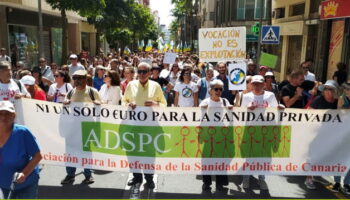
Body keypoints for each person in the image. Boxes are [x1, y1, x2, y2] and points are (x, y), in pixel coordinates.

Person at [122, 62, 167, 189]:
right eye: (139, 71)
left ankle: (149, 178)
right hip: (133, 126)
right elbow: (123, 101)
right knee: (132, 152)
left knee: (149, 154)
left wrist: (155, 104)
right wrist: (128, 104)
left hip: (150, 127)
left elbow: (164, 104)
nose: (141, 74)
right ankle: (136, 177)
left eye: (144, 72)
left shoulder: (156, 86)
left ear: (149, 73)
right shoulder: (131, 85)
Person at [240, 75, 284, 190]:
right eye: (254, 83)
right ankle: (246, 178)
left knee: (264, 155)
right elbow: (239, 114)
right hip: (250, 130)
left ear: (264, 84)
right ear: (251, 84)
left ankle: (261, 178)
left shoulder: (270, 95)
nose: (257, 85)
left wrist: (280, 107)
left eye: (259, 83)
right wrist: (247, 108)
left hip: (266, 130)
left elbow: (276, 109)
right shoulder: (246, 96)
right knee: (249, 155)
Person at [61, 70, 101, 185]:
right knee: (70, 151)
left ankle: (88, 175)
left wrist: (97, 103)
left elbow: (101, 106)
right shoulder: (70, 92)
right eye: (75, 78)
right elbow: (65, 106)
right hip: (72, 127)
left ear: (85, 79)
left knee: (86, 151)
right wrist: (66, 102)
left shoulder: (92, 92)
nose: (77, 81)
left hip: (87, 127)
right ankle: (70, 175)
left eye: (79, 78)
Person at [0, 101, 42, 199]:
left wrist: (24, 173)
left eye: (7, 113)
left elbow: (37, 156)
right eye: (0, 113)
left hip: (26, 183)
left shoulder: (22, 132)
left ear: (13, 116)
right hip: (3, 185)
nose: (3, 117)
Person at [199, 79, 231, 192]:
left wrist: (231, 110)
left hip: (221, 137)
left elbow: (233, 117)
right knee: (206, 161)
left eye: (220, 89)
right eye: (216, 89)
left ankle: (220, 184)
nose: (218, 91)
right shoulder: (205, 103)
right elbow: (199, 119)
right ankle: (206, 183)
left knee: (221, 161)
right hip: (208, 137)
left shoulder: (226, 102)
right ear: (210, 90)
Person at [332, 82, 350, 194]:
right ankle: (337, 182)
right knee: (338, 158)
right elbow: (339, 113)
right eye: (346, 89)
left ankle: (347, 183)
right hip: (342, 132)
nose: (347, 90)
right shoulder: (341, 98)